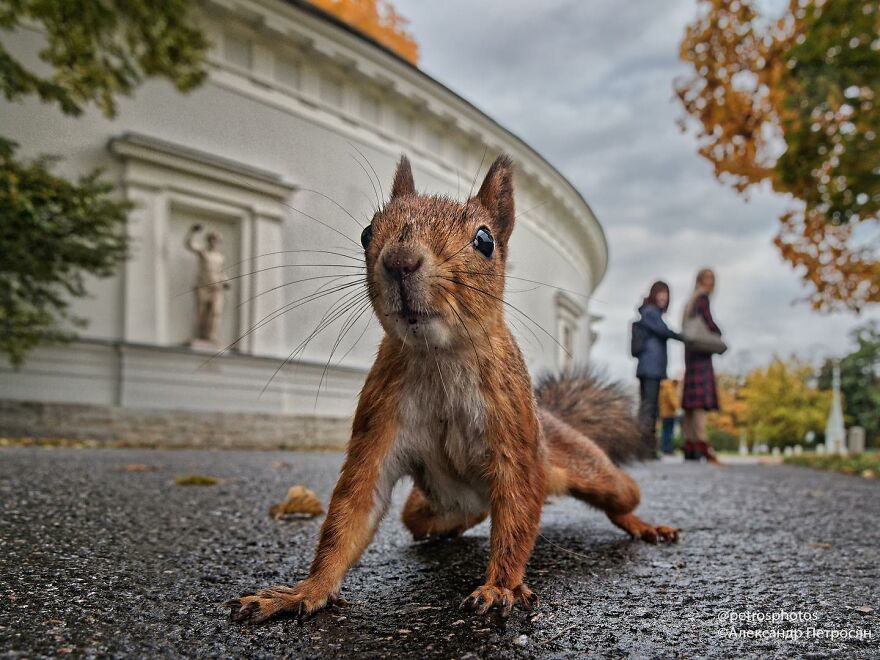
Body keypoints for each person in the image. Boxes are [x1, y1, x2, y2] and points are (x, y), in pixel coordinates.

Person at [634, 281, 683, 455]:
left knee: (649, 406)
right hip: (651, 368)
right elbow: (665, 331)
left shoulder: (651, 314)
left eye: (666, 293)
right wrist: (685, 337)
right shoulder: (650, 313)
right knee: (649, 408)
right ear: (654, 294)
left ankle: (645, 446)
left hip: (649, 367)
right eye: (661, 293)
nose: (664, 297)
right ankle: (644, 447)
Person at [681, 268, 722, 463]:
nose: (710, 283)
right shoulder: (702, 299)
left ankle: (689, 444)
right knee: (698, 405)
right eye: (708, 279)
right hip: (701, 357)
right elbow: (709, 322)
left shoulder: (689, 303)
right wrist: (717, 333)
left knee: (690, 406)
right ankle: (701, 444)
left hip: (690, 356)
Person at [658, 378, 680, 455]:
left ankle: (664, 447)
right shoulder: (670, 388)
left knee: (665, 431)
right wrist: (678, 408)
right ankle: (667, 448)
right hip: (669, 414)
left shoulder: (663, 387)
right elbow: (673, 401)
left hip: (663, 413)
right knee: (668, 432)